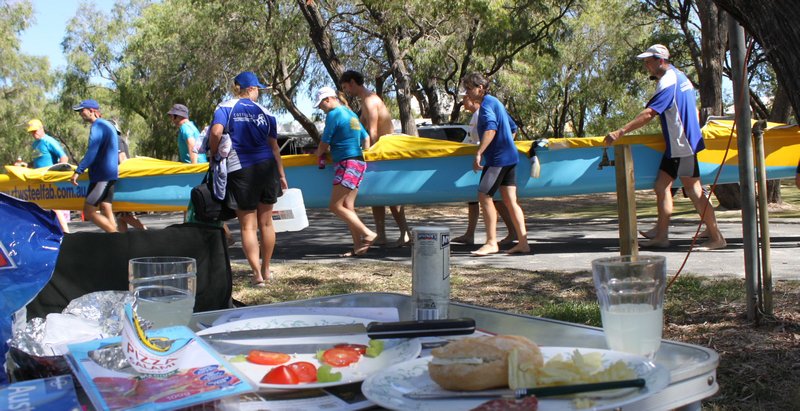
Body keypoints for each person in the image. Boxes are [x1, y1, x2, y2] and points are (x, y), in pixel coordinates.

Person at [604, 44, 726, 250]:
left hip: (682, 145)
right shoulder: (681, 77)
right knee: (661, 186)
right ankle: (661, 234)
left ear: (660, 60)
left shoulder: (668, 82)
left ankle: (717, 237)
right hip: (679, 144)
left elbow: (649, 113)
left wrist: (620, 131)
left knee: (694, 190)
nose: (646, 66)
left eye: (648, 62)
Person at [208, 71, 287, 286]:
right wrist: (281, 174)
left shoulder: (226, 107)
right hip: (267, 168)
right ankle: (267, 269)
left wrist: (214, 153)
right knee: (267, 223)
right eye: (258, 89)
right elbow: (274, 147)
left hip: (241, 169)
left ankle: (257, 276)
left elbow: (215, 133)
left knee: (248, 226)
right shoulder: (266, 112)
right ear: (250, 89)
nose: (259, 93)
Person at [339, 70, 410, 247]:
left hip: (384, 150)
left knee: (392, 196)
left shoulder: (370, 100)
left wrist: (368, 154)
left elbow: (373, 132)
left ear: (353, 82)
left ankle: (405, 234)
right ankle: (381, 234)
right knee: (377, 196)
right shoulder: (365, 100)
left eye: (346, 86)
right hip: (378, 150)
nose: (346, 90)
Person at [462, 72, 529, 256]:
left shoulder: (486, 106)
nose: (467, 92)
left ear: (480, 88)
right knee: (509, 200)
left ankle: (491, 242)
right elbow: (512, 128)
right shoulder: (495, 102)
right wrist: (505, 143)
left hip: (498, 160)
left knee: (483, 196)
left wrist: (479, 152)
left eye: (469, 88)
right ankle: (523, 243)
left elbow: (491, 129)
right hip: (510, 157)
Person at [313, 86, 378, 257]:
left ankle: (368, 233)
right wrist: (361, 153)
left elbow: (324, 141)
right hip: (357, 162)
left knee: (334, 205)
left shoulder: (334, 114)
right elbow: (365, 138)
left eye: (321, 105)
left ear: (328, 99)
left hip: (346, 163)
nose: (321, 109)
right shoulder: (351, 114)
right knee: (347, 206)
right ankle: (358, 246)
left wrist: (319, 153)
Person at [452, 94, 517, 246]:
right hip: (488, 160)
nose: (462, 102)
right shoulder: (479, 113)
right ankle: (471, 234)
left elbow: (494, 131)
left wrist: (484, 151)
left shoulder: (485, 110)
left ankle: (494, 240)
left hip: (492, 160)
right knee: (476, 199)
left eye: (465, 96)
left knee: (489, 197)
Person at [69, 99, 119, 233]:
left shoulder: (98, 126)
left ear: (92, 111)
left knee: (89, 211)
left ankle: (116, 236)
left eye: (82, 111)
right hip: (110, 174)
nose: (80, 114)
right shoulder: (108, 125)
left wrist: (78, 171)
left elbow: (92, 151)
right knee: (105, 206)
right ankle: (116, 242)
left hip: (102, 176)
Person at [26, 118, 70, 232]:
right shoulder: (35, 144)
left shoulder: (49, 141)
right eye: (31, 132)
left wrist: (59, 173)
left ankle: (66, 232)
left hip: (51, 179)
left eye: (35, 131)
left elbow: (63, 157)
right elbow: (37, 160)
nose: (33, 134)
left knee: (55, 207)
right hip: (39, 180)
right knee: (38, 206)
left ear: (41, 129)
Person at [113, 120, 147, 232]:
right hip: (121, 180)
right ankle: (123, 243)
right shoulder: (118, 139)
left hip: (120, 181)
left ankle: (146, 231)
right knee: (120, 216)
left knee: (122, 214)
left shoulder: (116, 139)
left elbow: (122, 159)